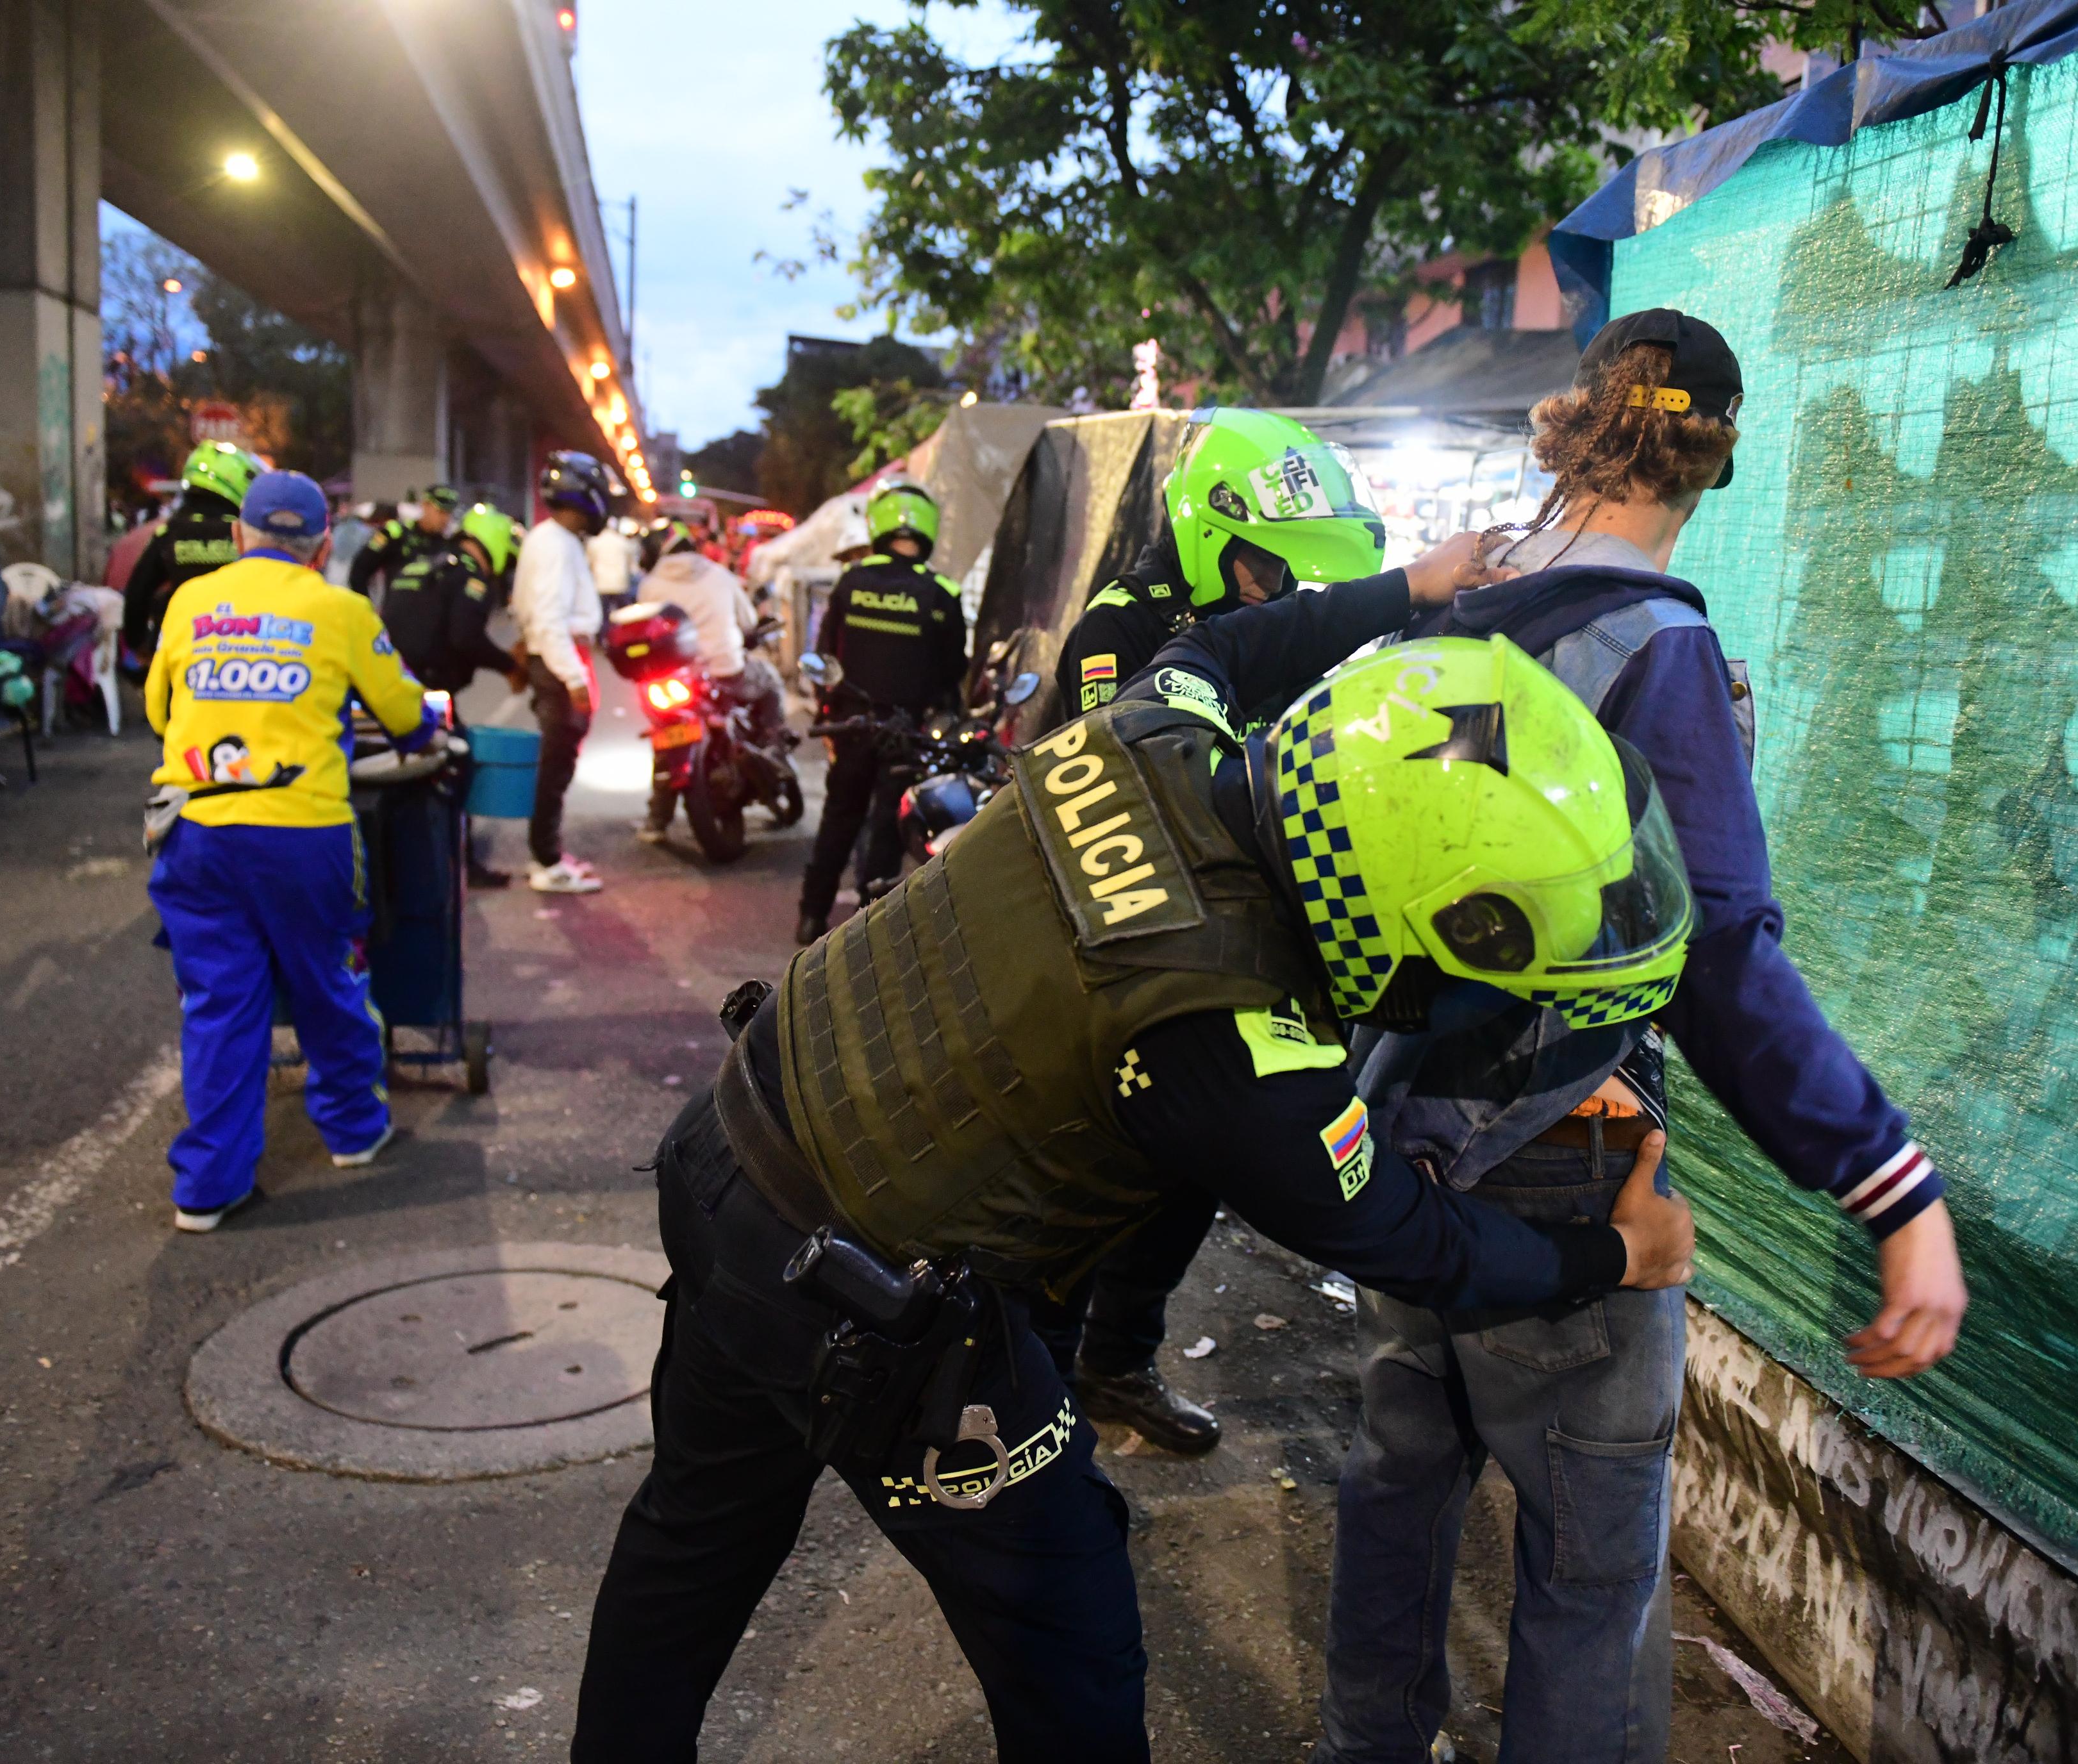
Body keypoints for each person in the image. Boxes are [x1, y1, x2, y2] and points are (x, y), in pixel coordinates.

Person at [570, 526, 1700, 1764]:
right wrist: (1610, 1255)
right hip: (872, 1312)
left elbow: (1219, 642)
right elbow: (1410, 1240)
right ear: (1386, 908)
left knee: (694, 1536)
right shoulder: (1229, 1036)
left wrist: (1407, 590)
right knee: (1076, 1649)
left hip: (736, 1136)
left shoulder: (1151, 728)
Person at [1312, 310, 1971, 1764]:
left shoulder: (1452, 620)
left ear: (1571, 423)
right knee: (1586, 1567)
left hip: (1392, 1131)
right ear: (1713, 454)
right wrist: (1892, 1186)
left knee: (1394, 1490)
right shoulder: (1654, 650)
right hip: (1572, 1157)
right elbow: (1716, 956)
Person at [1033, 408, 1391, 1456]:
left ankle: (1116, 1364)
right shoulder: (1117, 634)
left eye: (1287, 575)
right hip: (1117, 944)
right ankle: (1039, 1402)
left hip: (1212, 936)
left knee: (1191, 1176)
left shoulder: (1250, 616)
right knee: (1089, 1185)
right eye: (1263, 569)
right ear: (1210, 534)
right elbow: (1108, 803)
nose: (1276, 589)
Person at [140, 470, 438, 1233]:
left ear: (240, 536)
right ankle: (352, 1131)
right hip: (303, 836)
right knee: (327, 980)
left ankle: (206, 1187)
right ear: (323, 547)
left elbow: (158, 709)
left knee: (218, 1005)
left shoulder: (190, 601)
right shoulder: (340, 609)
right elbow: (408, 715)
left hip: (195, 832)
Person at [1052, 408, 1385, 723]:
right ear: (1211, 532)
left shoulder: (1257, 620)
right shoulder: (1116, 627)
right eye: (1265, 557)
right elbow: (1121, 769)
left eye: (1288, 563)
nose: (1275, 581)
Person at [792, 482, 965, 944]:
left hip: (850, 726)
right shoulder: (942, 592)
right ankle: (870, 937)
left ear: (879, 524)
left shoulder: (852, 581)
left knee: (839, 819)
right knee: (887, 829)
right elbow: (954, 670)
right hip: (906, 731)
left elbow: (825, 654)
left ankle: (811, 917)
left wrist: (828, 709)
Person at [380, 502, 522, 888]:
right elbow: (465, 638)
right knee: (457, 764)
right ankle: (460, 862)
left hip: (387, 682)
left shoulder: (426, 562)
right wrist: (510, 665)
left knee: (400, 773)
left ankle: (403, 858)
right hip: (427, 689)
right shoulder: (470, 576)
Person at [629, 522, 787, 846]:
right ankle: (777, 750)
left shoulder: (650, 585)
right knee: (770, 681)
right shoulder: (720, 575)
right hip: (725, 674)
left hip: (672, 682)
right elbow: (748, 622)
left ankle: (657, 820)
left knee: (666, 739)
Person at [513, 453, 611, 894]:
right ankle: (546, 861)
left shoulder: (552, 538)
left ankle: (549, 852)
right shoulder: (555, 544)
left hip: (554, 660)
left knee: (557, 765)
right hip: (559, 664)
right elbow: (550, 618)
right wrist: (574, 678)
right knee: (556, 766)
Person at [121, 442, 263, 667]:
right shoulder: (247, 535)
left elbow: (138, 595)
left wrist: (139, 644)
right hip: (243, 651)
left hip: (180, 649)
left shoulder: (170, 533)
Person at [347, 484, 460, 601]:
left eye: (449, 513)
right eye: (440, 512)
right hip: (397, 613)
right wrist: (367, 608)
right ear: (425, 505)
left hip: (431, 616)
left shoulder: (450, 543)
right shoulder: (397, 534)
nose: (445, 519)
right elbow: (359, 570)